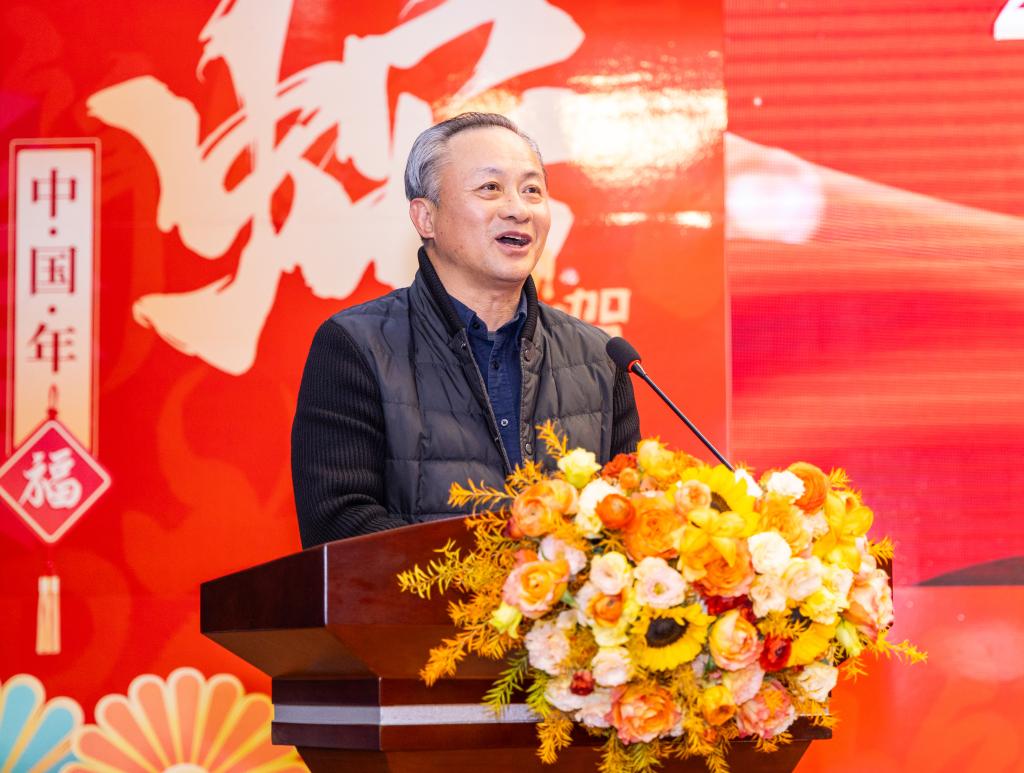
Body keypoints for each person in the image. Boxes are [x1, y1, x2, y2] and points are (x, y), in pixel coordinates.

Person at [291, 112, 640, 548]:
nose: (518, 209)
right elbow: (338, 525)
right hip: (424, 596)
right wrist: (500, 569)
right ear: (425, 217)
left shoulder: (599, 357)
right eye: (490, 188)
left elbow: (626, 520)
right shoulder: (356, 347)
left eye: (532, 190)